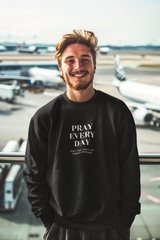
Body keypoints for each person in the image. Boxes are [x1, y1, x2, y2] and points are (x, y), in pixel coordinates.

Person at [23, 30, 141, 240]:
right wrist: (48, 221)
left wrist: (125, 221)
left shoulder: (118, 111)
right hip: (60, 227)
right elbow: (34, 175)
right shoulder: (44, 118)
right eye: (70, 61)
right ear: (60, 69)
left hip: (112, 227)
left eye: (85, 59)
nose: (78, 66)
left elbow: (130, 171)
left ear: (94, 65)